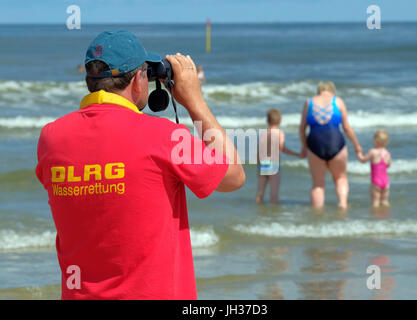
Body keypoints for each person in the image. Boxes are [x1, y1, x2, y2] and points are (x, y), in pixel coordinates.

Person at [35, 30, 245, 300]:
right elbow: (232, 175)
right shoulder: (163, 136)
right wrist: (194, 101)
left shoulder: (51, 138)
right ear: (138, 80)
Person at [299, 81, 361, 210]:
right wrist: (357, 145)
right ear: (332, 90)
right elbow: (347, 128)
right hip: (336, 142)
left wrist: (305, 146)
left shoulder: (309, 102)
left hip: (315, 143)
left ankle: (317, 215)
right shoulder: (338, 101)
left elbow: (302, 129)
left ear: (319, 90)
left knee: (318, 185)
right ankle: (343, 206)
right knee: (340, 178)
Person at [256, 109, 300, 204]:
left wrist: (258, 165)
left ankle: (258, 214)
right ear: (280, 121)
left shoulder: (264, 133)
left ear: (267, 121)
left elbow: (259, 151)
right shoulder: (279, 133)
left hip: (263, 164)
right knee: (274, 194)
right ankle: (274, 216)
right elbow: (282, 147)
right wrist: (296, 154)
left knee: (260, 192)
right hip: (274, 164)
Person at [357, 130, 391, 207]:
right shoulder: (387, 153)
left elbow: (363, 160)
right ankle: (387, 216)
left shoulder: (373, 152)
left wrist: (359, 153)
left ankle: (375, 218)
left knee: (375, 202)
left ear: (376, 141)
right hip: (386, 181)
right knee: (385, 201)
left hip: (376, 181)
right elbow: (388, 165)